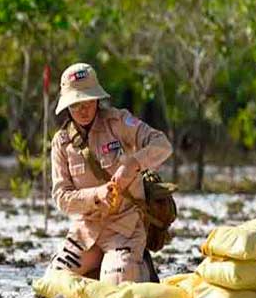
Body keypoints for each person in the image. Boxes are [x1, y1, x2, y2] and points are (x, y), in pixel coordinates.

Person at [48, 62, 172, 285]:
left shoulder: (118, 122)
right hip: (86, 230)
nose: (83, 110)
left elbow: (162, 145)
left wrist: (133, 163)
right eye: (76, 104)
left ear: (97, 99)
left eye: (88, 101)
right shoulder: (61, 143)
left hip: (124, 227)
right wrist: (96, 195)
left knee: (117, 282)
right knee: (54, 281)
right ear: (67, 106)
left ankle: (135, 263)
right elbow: (61, 198)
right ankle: (99, 268)